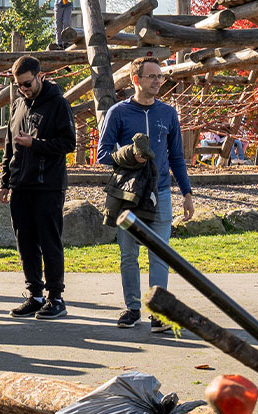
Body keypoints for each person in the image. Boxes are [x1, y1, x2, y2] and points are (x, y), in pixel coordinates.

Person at [97, 56, 195, 331]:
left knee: (160, 254)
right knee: (129, 254)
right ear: (135, 80)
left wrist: (187, 193)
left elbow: (177, 157)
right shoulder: (118, 112)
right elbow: (102, 155)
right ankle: (132, 308)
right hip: (128, 195)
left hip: (161, 193)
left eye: (160, 76)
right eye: (152, 76)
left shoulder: (168, 113)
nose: (158, 81)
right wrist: (131, 156)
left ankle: (158, 313)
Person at [0, 55, 75, 319]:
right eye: (19, 85)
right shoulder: (18, 103)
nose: (24, 89)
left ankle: (56, 297)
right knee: (25, 243)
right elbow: (10, 145)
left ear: (40, 76)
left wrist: (37, 144)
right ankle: (35, 294)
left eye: (27, 83)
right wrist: (5, 182)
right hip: (21, 185)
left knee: (49, 242)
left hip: (48, 186)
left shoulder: (58, 104)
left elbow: (68, 143)